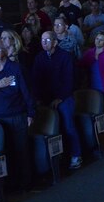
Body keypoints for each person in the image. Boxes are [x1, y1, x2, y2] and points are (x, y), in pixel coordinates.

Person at [0, 40, 35, 189]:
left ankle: (25, 184)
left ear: (5, 50)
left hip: (16, 116)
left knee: (21, 150)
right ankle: (9, 184)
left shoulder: (17, 68)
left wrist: (31, 113)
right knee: (5, 152)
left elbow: (27, 92)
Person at [32, 31, 83, 170]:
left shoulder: (65, 56)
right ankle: (57, 157)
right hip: (46, 98)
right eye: (42, 40)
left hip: (64, 97)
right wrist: (37, 98)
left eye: (47, 40)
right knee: (51, 128)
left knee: (68, 126)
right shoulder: (39, 57)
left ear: (55, 42)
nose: (44, 43)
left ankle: (76, 154)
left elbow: (69, 80)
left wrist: (60, 98)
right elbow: (36, 81)